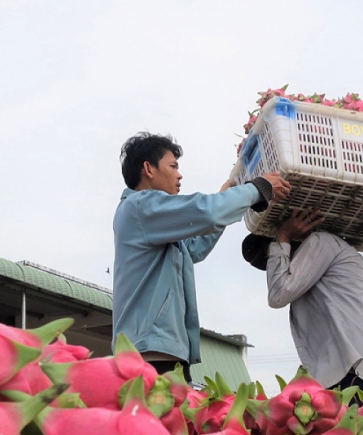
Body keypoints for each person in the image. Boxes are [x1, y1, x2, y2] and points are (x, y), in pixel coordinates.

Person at [113, 132, 291, 382]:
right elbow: (205, 212)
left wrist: (232, 197)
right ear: (148, 169)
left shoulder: (155, 219)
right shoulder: (141, 206)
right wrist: (255, 190)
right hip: (150, 354)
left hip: (164, 351)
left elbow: (193, 248)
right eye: (173, 166)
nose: (179, 174)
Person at [242, 208, 363, 402]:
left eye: (277, 251)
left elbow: (277, 295)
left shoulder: (322, 242)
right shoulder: (309, 272)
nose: (281, 259)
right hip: (342, 375)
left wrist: (283, 236)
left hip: (351, 373)